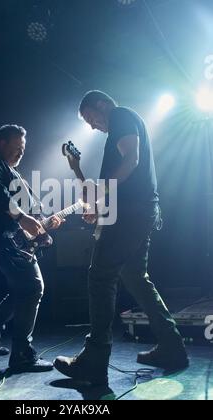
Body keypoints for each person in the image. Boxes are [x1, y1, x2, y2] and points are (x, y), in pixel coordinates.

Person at [54, 91, 189, 385]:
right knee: (136, 277)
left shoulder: (122, 116)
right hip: (137, 212)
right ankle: (172, 347)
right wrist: (100, 207)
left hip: (131, 214)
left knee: (100, 277)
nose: (92, 126)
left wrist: (103, 197)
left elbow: (132, 159)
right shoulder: (119, 124)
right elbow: (119, 180)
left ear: (102, 105)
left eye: (91, 118)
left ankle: (94, 359)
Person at [0, 124, 62, 372]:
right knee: (32, 287)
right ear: (2, 143)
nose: (21, 153)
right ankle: (22, 354)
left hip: (19, 243)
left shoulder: (19, 177)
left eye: (23, 150)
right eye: (17, 147)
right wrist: (22, 218)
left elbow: (34, 213)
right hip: (3, 240)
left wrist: (45, 225)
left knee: (22, 291)